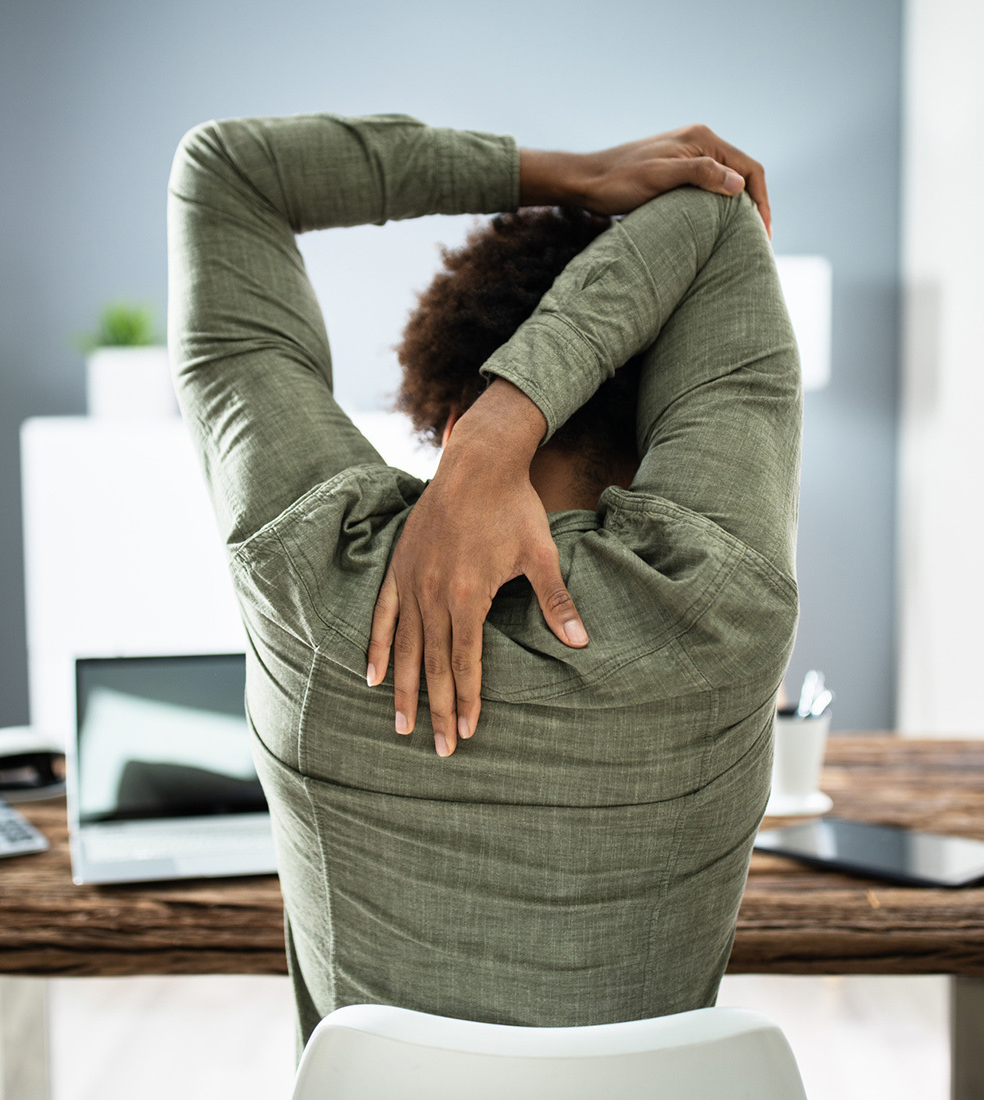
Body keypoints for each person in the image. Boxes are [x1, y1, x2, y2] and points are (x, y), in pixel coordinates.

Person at [167, 113, 801, 1051]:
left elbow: (229, 172)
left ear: (444, 419)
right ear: (669, 407)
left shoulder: (311, 570)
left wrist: (569, 174)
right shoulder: (716, 595)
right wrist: (519, 413)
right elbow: (717, 210)